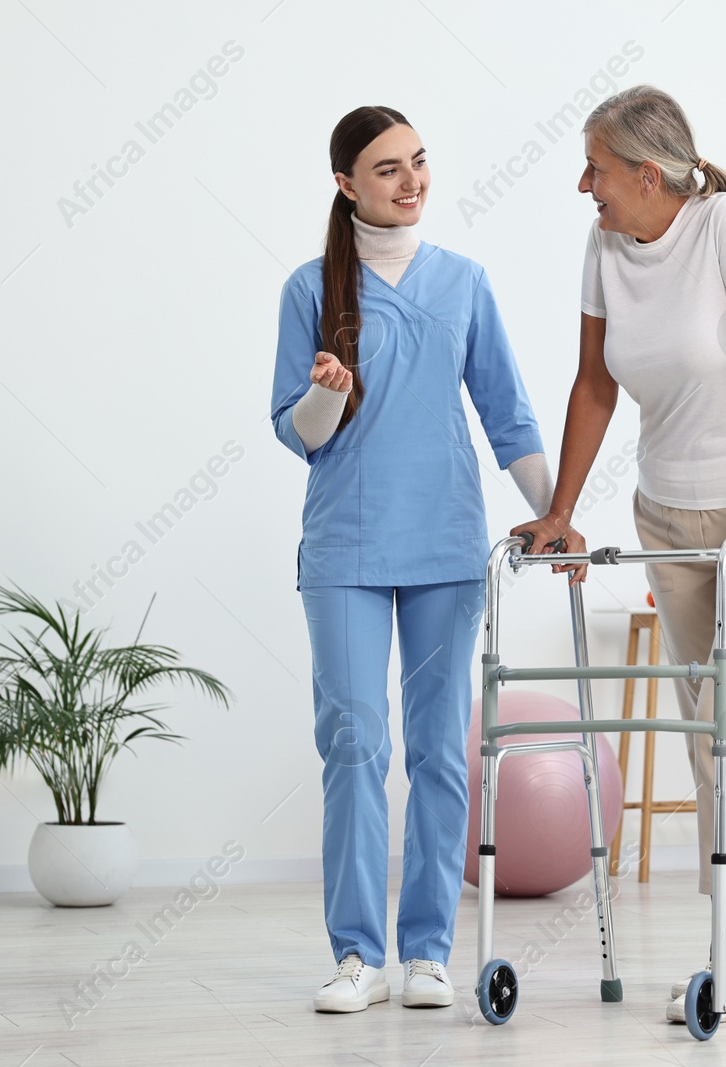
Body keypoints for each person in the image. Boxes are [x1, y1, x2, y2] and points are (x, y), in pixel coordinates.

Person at [512, 85, 726, 1025]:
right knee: (711, 730)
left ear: (647, 175)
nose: (585, 185)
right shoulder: (606, 244)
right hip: (672, 517)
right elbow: (594, 385)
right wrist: (561, 513)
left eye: (597, 170)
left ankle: (725, 968)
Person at [272, 105, 553, 1014]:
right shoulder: (311, 288)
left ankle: (428, 950)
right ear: (347, 184)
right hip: (347, 548)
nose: (411, 180)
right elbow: (298, 435)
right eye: (387, 168)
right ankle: (360, 955)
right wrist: (327, 395)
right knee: (354, 743)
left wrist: (554, 516)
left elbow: (507, 415)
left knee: (438, 750)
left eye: (419, 162)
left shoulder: (464, 283)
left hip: (443, 546)